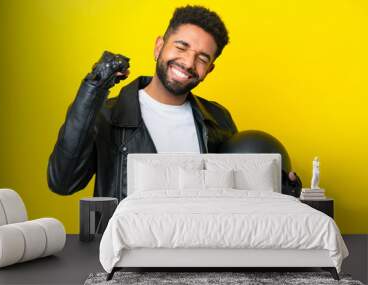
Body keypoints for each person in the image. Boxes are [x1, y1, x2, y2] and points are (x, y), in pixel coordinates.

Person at [47, 5, 299, 200]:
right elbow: (62, 182)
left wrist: (281, 190)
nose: (189, 63)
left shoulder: (218, 118)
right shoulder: (108, 115)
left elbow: (235, 193)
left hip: (202, 253)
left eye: (202, 57)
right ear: (159, 47)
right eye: (181, 47)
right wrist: (93, 88)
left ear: (209, 69)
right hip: (130, 256)